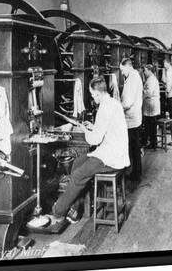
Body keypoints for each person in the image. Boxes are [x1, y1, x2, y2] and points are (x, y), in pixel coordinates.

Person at [49, 76, 129, 224]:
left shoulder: (105, 108)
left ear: (98, 93)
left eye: (93, 95)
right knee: (78, 162)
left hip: (112, 157)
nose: (93, 98)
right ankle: (75, 208)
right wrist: (93, 127)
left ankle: (58, 211)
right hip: (114, 150)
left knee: (79, 175)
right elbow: (106, 128)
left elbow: (94, 140)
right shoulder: (113, 103)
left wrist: (85, 129)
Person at [119, 57, 143, 185]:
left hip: (131, 119)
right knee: (134, 148)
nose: (122, 73)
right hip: (133, 118)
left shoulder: (133, 78)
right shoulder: (132, 77)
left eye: (122, 70)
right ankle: (135, 172)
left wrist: (118, 107)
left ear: (128, 66)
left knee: (134, 148)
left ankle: (136, 174)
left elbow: (128, 102)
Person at [142, 65, 160, 149]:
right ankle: (152, 142)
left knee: (151, 125)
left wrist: (142, 92)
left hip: (151, 105)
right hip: (151, 105)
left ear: (149, 70)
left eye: (145, 70)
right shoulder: (151, 79)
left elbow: (149, 93)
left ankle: (153, 143)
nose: (144, 72)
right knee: (150, 125)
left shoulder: (151, 80)